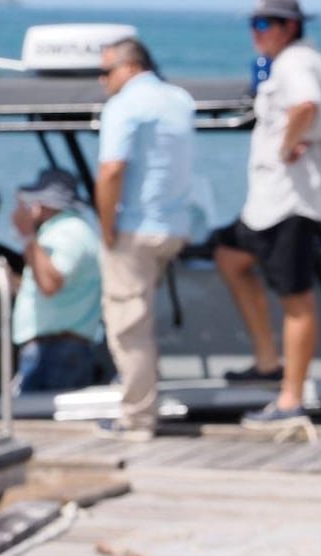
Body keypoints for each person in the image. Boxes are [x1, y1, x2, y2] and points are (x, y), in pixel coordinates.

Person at [215, 0, 321, 430]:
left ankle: (290, 398)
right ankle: (268, 362)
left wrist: (286, 145)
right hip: (273, 204)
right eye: (253, 23)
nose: (255, 32)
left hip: (290, 202)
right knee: (229, 255)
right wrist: (310, 138)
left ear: (289, 27)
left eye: (264, 23)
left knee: (297, 300)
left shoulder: (293, 62)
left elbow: (305, 105)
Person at [93, 37, 196, 441]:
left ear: (131, 67)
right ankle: (144, 401)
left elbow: (111, 170)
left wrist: (106, 228)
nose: (101, 81)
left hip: (135, 228)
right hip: (175, 226)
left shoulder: (124, 105)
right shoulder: (180, 100)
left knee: (128, 326)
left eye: (106, 72)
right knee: (143, 320)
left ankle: (136, 418)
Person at [0, 168, 102, 394]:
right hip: (55, 350)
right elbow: (44, 288)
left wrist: (28, 236)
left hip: (56, 352)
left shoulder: (68, 232)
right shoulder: (61, 232)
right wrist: (8, 281)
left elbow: (50, 284)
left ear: (44, 203)